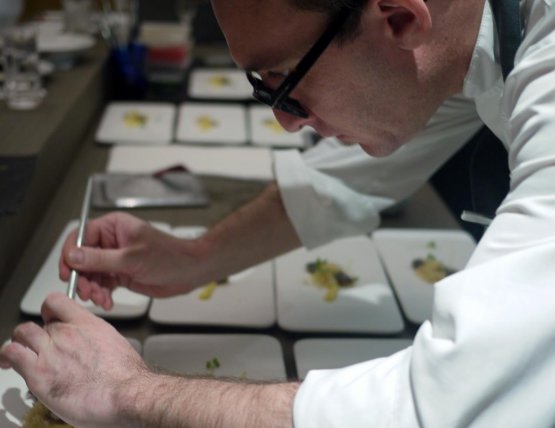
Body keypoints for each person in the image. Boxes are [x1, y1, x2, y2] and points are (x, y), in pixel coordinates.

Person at [3, 0, 555, 426]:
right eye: (261, 89)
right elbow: (339, 184)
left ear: (400, 17)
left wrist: (125, 392)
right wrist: (194, 257)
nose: (286, 124)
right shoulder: (452, 36)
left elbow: (437, 408)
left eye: (285, 86)